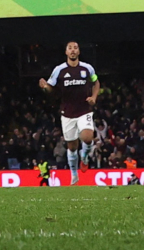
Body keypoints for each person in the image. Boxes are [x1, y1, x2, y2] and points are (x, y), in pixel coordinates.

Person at [39, 41, 100, 184]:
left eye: (75, 48)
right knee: (72, 147)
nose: (73, 50)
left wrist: (94, 97)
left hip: (84, 110)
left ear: (79, 51)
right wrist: (45, 87)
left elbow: (96, 82)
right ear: (66, 52)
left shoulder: (87, 68)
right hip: (67, 113)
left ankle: (84, 157)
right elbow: (51, 88)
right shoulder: (59, 70)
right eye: (70, 48)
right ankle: (74, 175)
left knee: (87, 138)